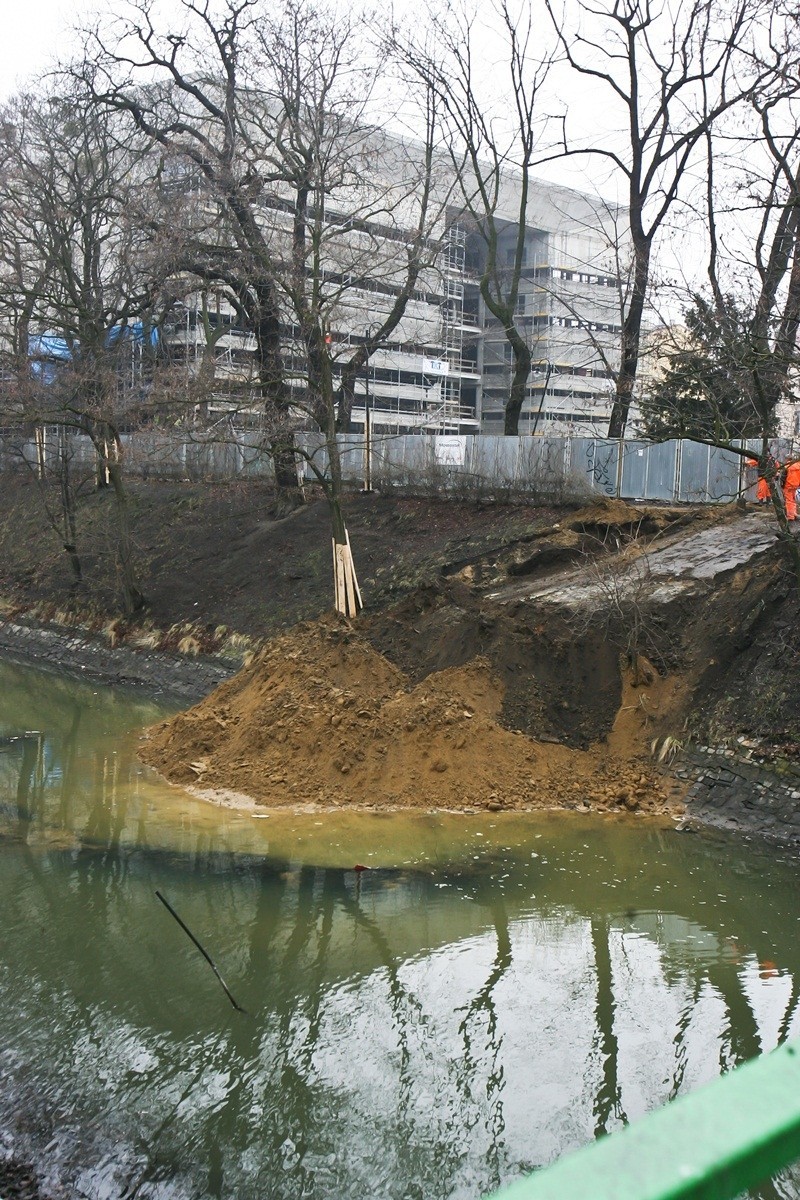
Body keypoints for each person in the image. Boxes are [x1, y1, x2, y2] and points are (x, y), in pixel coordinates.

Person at [782, 457, 800, 521]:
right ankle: (794, 514)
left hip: (788, 486)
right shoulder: (798, 465)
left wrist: (782, 486)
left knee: (789, 501)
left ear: (787, 459)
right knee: (793, 500)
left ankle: (790, 516)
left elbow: (783, 477)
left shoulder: (787, 466)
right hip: (795, 486)